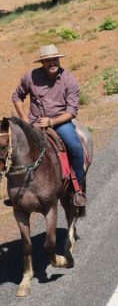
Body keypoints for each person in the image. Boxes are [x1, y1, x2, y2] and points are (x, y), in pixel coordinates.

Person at [12, 44, 87, 207]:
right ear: (42, 63)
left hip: (61, 123)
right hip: (34, 123)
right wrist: (24, 119)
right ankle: (16, 190)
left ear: (59, 60)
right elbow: (17, 97)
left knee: (75, 147)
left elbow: (71, 112)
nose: (52, 63)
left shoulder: (69, 79)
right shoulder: (30, 77)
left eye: (54, 60)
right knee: (13, 145)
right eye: (48, 61)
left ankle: (78, 188)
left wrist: (52, 122)